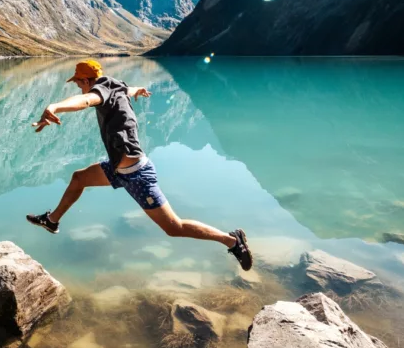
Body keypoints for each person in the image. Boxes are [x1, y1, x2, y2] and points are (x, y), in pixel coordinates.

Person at [26, 59, 253, 271]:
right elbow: (128, 89)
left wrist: (54, 106)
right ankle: (52, 221)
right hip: (117, 169)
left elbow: (85, 101)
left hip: (137, 174)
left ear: (87, 81)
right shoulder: (116, 86)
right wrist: (139, 90)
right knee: (79, 178)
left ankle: (232, 240)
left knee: (174, 228)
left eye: (78, 83)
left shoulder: (99, 92)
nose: (78, 87)